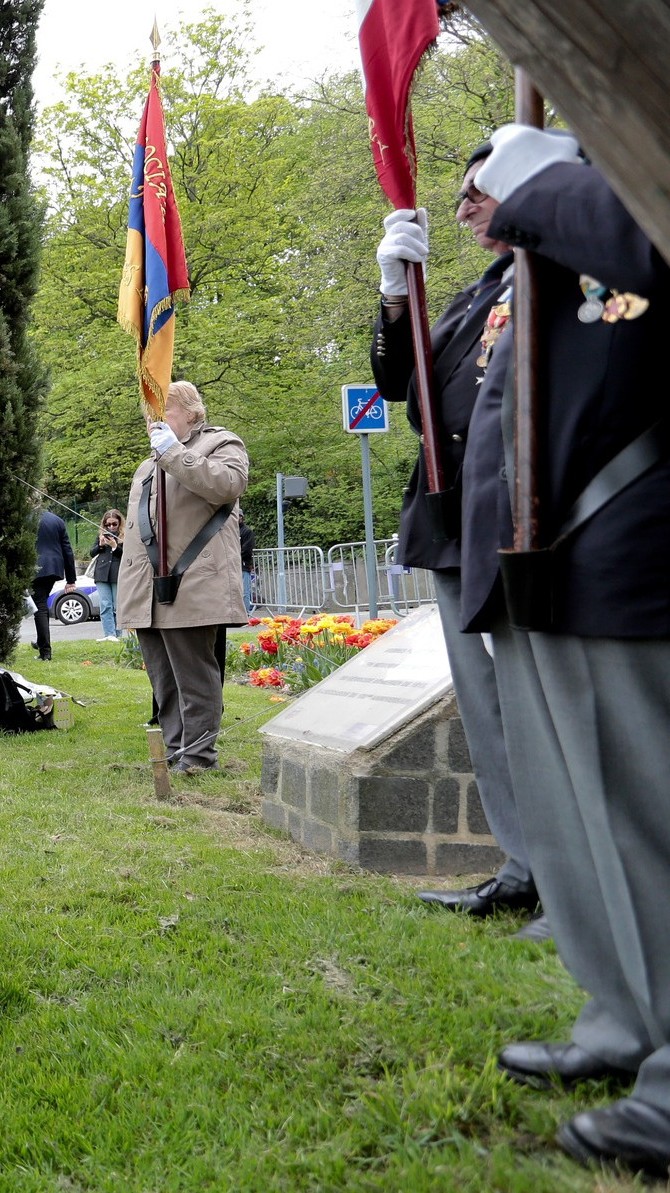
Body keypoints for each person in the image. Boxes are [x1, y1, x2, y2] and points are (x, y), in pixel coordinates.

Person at [450, 128, 670, 1175]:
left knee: (646, 822)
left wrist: (551, 183)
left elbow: (646, 246)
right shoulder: (542, 234)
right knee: (587, 830)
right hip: (551, 554)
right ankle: (625, 1014)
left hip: (625, 532)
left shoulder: (614, 180)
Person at [369, 140, 541, 930]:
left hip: (518, 517)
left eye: (479, 190)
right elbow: (401, 384)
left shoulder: (555, 276)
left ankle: (566, 869)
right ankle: (525, 863)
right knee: (487, 704)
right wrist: (394, 295)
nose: (463, 206)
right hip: (452, 518)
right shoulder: (480, 294)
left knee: (535, 704)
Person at [116, 380, 249, 775]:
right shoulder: (147, 465)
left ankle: (199, 756)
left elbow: (228, 485)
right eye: (150, 415)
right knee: (164, 680)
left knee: (194, 677)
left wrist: (173, 453)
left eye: (163, 412)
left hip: (193, 582)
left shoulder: (220, 443)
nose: (153, 422)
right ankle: (176, 752)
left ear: (192, 413)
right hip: (148, 589)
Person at [32, 505, 75, 662]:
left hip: (34, 566)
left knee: (39, 607)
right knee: (41, 603)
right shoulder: (56, 520)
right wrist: (71, 579)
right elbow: (67, 550)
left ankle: (45, 651)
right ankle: (41, 642)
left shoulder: (25, 519)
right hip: (54, 567)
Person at [89, 510, 125, 642]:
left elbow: (127, 555)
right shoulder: (101, 535)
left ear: (119, 523)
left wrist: (115, 546)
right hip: (102, 573)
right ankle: (109, 634)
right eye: (108, 524)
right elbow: (92, 553)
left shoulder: (124, 536)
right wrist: (100, 545)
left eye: (114, 524)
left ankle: (118, 634)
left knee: (116, 605)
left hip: (117, 573)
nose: (111, 527)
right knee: (105, 604)